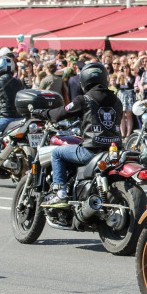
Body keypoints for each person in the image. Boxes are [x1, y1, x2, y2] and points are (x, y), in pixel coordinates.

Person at [32, 63, 123, 208]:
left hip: (92, 150)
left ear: (84, 80)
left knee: (56, 153)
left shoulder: (84, 99)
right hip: (115, 151)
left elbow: (60, 113)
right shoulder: (117, 100)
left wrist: (43, 113)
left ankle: (60, 193)